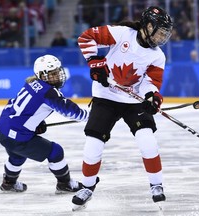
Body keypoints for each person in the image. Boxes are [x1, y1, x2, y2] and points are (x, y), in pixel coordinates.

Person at [72, 6, 173, 210]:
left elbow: (151, 82)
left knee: (148, 141)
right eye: (161, 31)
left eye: (166, 33)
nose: (163, 37)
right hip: (105, 95)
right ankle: (88, 187)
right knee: (93, 145)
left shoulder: (157, 56)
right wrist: (94, 62)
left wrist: (151, 96)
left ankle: (156, 184)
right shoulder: (121, 34)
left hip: (133, 101)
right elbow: (86, 38)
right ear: (148, 26)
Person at [0, 54, 89, 194]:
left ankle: (9, 183)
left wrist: (36, 124)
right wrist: (91, 117)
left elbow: (23, 107)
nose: (57, 76)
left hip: (2, 129)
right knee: (56, 151)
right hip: (16, 135)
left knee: (17, 155)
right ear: (42, 75)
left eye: (57, 72)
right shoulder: (49, 92)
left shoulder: (31, 82)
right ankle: (64, 184)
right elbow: (70, 111)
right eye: (52, 74)